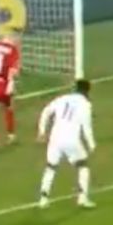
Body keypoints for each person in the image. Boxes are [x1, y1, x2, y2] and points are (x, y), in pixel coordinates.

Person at [37, 79, 96, 209]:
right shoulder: (85, 104)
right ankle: (83, 198)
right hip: (71, 140)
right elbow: (86, 126)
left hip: (55, 138)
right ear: (87, 91)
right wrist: (91, 144)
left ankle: (43, 199)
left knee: (51, 167)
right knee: (83, 166)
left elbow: (46, 111)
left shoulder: (63, 98)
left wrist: (42, 131)